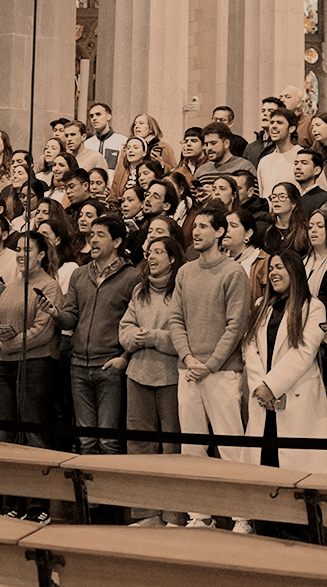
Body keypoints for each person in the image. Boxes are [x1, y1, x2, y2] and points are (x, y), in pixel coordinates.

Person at [164, 203, 253, 531]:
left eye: (204, 226)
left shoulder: (234, 273)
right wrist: (188, 358)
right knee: (192, 447)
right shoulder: (185, 272)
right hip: (188, 370)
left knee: (232, 446)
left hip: (223, 371)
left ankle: (243, 516)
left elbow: (236, 324)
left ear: (220, 232)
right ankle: (200, 515)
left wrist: (211, 364)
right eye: (195, 226)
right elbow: (175, 318)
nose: (196, 231)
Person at [0, 231, 63, 520]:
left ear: (42, 254)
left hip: (35, 365)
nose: (20, 254)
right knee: (7, 434)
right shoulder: (10, 286)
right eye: (17, 249)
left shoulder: (49, 286)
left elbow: (43, 331)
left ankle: (38, 506)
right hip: (4, 366)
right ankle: (11, 503)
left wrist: (7, 344)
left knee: (34, 434)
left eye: (27, 249)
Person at [241, 254, 327, 479]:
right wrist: (259, 387)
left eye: (279, 267)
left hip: (296, 397)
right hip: (264, 400)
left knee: (295, 472)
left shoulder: (314, 307)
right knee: (263, 466)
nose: (273, 272)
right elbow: (250, 347)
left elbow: (304, 351)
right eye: (270, 268)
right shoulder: (262, 305)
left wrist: (272, 385)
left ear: (294, 271)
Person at [60, 213, 141, 456]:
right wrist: (54, 313)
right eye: (92, 234)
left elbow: (137, 323)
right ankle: (86, 494)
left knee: (108, 441)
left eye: (100, 235)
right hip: (78, 365)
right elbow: (70, 317)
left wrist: (124, 357)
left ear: (117, 242)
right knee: (85, 441)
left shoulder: (132, 277)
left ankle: (107, 494)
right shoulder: (79, 274)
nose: (93, 240)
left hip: (110, 366)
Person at [119, 233, 185, 527]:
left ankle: (173, 514)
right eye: (150, 252)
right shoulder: (139, 291)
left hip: (171, 376)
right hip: (138, 374)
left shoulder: (181, 291)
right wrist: (134, 337)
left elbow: (184, 338)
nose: (152, 257)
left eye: (159, 252)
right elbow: (125, 328)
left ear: (172, 258)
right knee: (139, 447)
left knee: (172, 449)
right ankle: (145, 513)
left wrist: (154, 338)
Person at [256, 106, 300, 197]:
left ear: (291, 128)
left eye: (279, 123)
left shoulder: (303, 157)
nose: (273, 126)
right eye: (272, 122)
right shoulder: (264, 162)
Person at [262, 181, 305, 257]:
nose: (275, 200)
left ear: (293, 203)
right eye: (273, 196)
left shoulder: (304, 230)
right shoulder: (265, 229)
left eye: (282, 197)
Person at [84, 101, 127, 170]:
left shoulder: (122, 141)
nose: (94, 118)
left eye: (98, 114)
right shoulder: (87, 144)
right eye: (91, 116)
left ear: (108, 116)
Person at [292, 147, 327, 220]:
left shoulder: (325, 198)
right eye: (296, 163)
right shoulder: (290, 195)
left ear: (316, 170)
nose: (298, 167)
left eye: (304, 163)